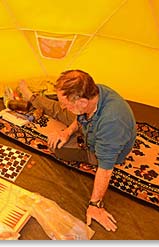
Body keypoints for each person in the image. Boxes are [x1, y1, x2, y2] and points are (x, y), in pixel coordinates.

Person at [18, 70, 136, 232]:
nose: (63, 105)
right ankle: (32, 98)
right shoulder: (94, 93)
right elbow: (80, 118)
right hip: (89, 127)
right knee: (60, 112)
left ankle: (37, 101)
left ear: (81, 102)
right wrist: (66, 132)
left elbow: (105, 169)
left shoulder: (111, 123)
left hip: (98, 145)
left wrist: (95, 205)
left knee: (58, 147)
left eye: (65, 102)